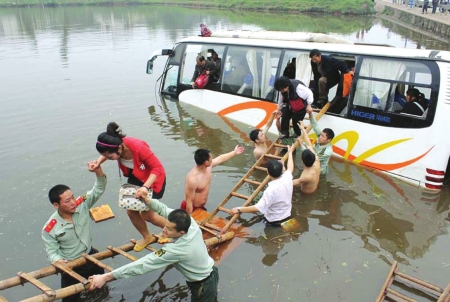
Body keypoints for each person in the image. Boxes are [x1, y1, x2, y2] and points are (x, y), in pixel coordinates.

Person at [88, 198, 219, 302]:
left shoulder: (176, 250)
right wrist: (147, 200)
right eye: (165, 226)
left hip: (202, 284)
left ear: (181, 232)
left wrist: (106, 277)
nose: (164, 230)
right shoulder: (191, 223)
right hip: (212, 271)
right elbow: (163, 209)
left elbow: (144, 264)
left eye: (169, 229)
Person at [93, 122, 167, 252]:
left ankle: (171, 231)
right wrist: (98, 162)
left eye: (110, 157)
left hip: (152, 179)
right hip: (136, 176)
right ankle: (147, 236)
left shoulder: (139, 148)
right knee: (131, 210)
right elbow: (107, 153)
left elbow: (157, 168)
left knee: (148, 215)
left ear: (120, 148)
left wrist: (145, 187)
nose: (108, 159)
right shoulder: (115, 146)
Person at [42, 162, 106, 302]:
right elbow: (52, 251)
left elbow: (98, 189)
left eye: (72, 197)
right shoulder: (50, 228)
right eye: (67, 201)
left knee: (102, 290)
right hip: (72, 266)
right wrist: (57, 260)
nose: (72, 202)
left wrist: (98, 172)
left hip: (91, 257)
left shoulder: (81, 204)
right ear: (56, 205)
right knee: (71, 299)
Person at [230, 145, 294, 226]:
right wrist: (290, 153)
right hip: (287, 216)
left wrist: (239, 209)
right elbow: (290, 168)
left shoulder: (270, 190)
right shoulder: (287, 177)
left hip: (274, 221)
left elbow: (258, 208)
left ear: (268, 172)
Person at [183, 145, 245, 214]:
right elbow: (189, 201)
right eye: (211, 159)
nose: (212, 160)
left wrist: (234, 152)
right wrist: (189, 220)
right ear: (206, 163)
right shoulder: (193, 179)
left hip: (200, 208)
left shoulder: (208, 167)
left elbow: (220, 159)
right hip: (191, 208)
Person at [304, 108, 334, 175]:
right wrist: (310, 114)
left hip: (320, 171)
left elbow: (312, 157)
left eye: (323, 136)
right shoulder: (321, 139)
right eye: (320, 135)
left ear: (328, 140)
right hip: (314, 163)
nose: (320, 137)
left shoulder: (327, 151)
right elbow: (315, 126)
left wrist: (302, 144)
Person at [293, 122, 320, 193]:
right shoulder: (316, 160)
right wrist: (303, 129)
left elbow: (290, 183)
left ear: (302, 161)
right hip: (314, 187)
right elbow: (309, 145)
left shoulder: (306, 176)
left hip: (306, 194)